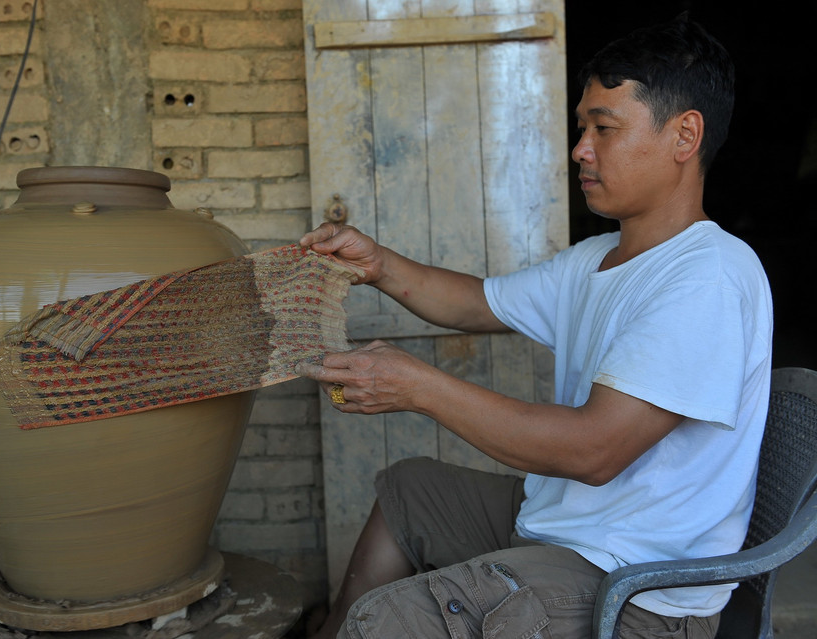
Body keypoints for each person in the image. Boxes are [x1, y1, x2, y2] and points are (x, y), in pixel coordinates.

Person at [295, 13, 773, 639]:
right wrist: (378, 265)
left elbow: (593, 450)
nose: (581, 149)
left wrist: (419, 387)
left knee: (385, 621)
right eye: (583, 129)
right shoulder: (596, 261)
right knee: (408, 492)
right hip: (570, 529)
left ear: (684, 137)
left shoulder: (706, 277)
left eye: (604, 128)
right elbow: (473, 304)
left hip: (634, 589)